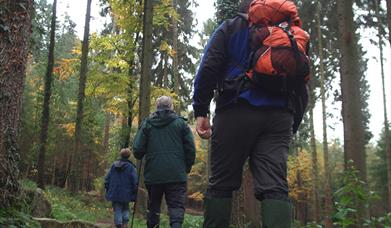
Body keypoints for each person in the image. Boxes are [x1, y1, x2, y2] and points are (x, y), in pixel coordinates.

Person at [193, 0, 308, 227]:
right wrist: (293, 122)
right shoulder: (294, 34)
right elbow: (302, 82)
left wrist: (201, 109)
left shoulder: (231, 27)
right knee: (275, 186)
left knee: (221, 183)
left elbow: (209, 66)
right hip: (279, 117)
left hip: (236, 109)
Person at [133, 96, 196, 228]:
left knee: (154, 207)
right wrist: (187, 167)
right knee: (176, 208)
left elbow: (138, 151)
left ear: (157, 107)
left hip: (154, 174)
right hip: (176, 174)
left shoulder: (147, 124)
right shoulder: (181, 124)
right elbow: (190, 148)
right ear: (171, 107)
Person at [105, 148, 138, 228]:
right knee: (126, 206)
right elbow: (135, 181)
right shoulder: (131, 167)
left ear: (121, 155)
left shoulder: (113, 165)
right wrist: (134, 190)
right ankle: (125, 222)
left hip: (114, 192)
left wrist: (108, 188)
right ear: (129, 156)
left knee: (117, 208)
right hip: (127, 192)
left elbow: (107, 178)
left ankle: (119, 224)